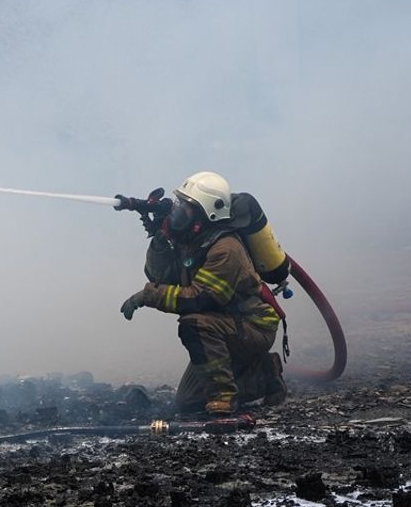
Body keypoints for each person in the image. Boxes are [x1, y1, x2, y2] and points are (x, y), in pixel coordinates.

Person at [118, 172, 288, 416]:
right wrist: (161, 238)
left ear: (205, 215)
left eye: (185, 210)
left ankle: (223, 398)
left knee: (193, 324)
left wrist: (148, 296)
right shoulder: (191, 240)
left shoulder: (225, 248)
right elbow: (159, 276)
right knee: (188, 401)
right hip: (226, 324)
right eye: (179, 206)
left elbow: (200, 298)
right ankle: (265, 375)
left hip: (253, 326)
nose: (177, 214)